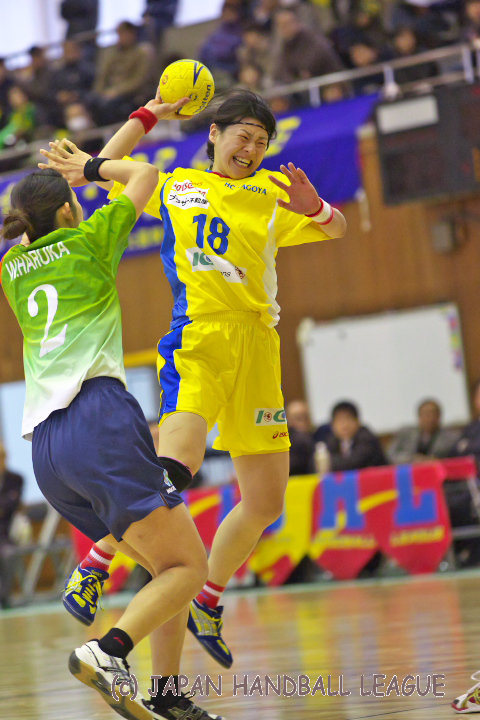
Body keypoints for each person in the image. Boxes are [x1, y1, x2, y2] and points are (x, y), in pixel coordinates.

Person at [51, 86, 346, 680]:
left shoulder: (272, 192)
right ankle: (96, 562)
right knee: (175, 468)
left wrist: (315, 207)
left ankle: (206, 599)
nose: (252, 148)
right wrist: (139, 122)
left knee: (265, 503)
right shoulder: (178, 185)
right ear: (214, 134)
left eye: (261, 141)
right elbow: (110, 171)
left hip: (258, 346)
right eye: (243, 136)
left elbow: (337, 229)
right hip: (200, 337)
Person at [1, 100, 222, 720]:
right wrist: (110, 151)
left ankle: (169, 693)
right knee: (190, 566)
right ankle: (108, 651)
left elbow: (92, 185)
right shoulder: (91, 243)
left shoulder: (13, 265)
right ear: (69, 211)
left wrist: (137, 121)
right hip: (98, 420)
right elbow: (144, 175)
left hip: (47, 451)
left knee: (165, 568)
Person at [388, 398, 460, 464]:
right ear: (419, 416)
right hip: (409, 471)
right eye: (426, 414)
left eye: (434, 414)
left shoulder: (451, 438)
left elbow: (454, 459)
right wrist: (412, 459)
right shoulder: (405, 433)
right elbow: (391, 455)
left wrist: (435, 460)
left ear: (439, 416)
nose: (430, 418)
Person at [325, 400, 387, 471]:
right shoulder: (332, 441)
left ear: (357, 421)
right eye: (339, 420)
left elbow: (353, 464)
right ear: (332, 425)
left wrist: (328, 463)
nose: (344, 425)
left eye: (348, 419)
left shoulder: (366, 438)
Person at [0, 441, 23, 608]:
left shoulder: (15, 479)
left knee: (8, 554)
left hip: (6, 534)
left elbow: (10, 506)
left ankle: (4, 598)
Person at [286, 399, 316, 476]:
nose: (303, 421)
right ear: (289, 420)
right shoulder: (285, 442)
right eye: (298, 418)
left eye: (305, 417)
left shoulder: (319, 434)